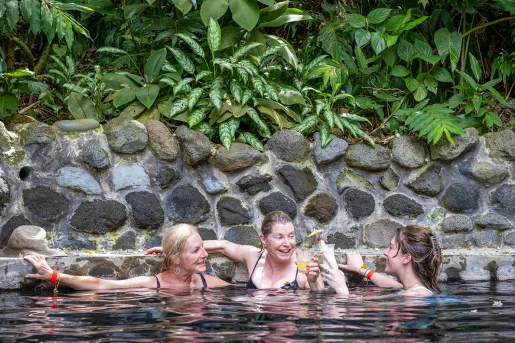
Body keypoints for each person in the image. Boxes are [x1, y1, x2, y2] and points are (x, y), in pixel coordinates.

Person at [147, 211, 324, 290]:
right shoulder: (253, 256)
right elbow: (223, 246)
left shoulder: (303, 265)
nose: (288, 243)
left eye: (291, 236)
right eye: (279, 237)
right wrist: (172, 248)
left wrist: (314, 280)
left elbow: (319, 299)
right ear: (264, 240)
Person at [24, 224, 230, 290]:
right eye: (196, 250)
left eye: (203, 247)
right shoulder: (153, 284)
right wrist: (53, 275)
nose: (205, 255)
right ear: (175, 259)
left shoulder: (206, 283)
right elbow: (101, 285)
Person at [319, 225, 442, 297]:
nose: (385, 252)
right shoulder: (412, 289)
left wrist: (341, 289)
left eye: (391, 248)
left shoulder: (413, 297)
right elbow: (393, 284)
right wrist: (361, 269)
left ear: (406, 258)